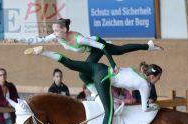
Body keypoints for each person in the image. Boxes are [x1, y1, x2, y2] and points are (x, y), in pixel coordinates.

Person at [24, 46, 163, 124]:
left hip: (98, 69)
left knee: (70, 63)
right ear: (151, 77)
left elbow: (124, 48)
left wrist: (148, 45)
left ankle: (43, 52)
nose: (159, 80)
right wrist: (155, 106)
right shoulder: (145, 84)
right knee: (109, 111)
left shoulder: (135, 70)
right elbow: (145, 108)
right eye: (158, 78)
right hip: (103, 77)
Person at [28, 18, 163, 97]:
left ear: (64, 30)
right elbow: (42, 39)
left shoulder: (79, 39)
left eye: (57, 30)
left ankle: (148, 46)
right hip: (92, 51)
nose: (54, 33)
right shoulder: (57, 36)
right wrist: (23, 41)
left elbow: (102, 48)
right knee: (83, 73)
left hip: (99, 46)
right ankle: (95, 92)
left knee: (119, 50)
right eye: (54, 30)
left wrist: (113, 64)